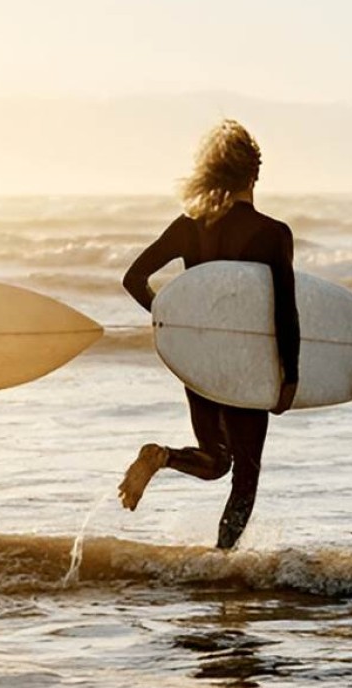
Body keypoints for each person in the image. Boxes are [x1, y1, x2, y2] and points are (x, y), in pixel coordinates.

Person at [117, 120, 300, 550]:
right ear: (255, 175)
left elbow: (134, 278)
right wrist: (289, 377)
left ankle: (163, 457)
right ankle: (221, 562)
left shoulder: (189, 226)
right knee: (245, 473)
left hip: (199, 360)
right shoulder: (273, 234)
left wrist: (175, 324)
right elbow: (284, 311)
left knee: (216, 459)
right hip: (244, 362)